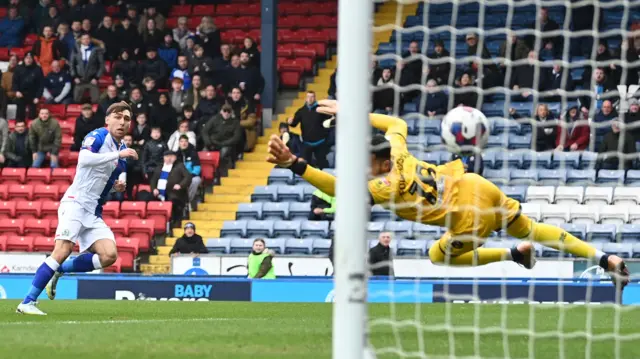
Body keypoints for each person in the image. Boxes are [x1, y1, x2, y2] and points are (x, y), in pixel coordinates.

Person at [266, 99, 630, 293]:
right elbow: (397, 125)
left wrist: (296, 164)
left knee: (437, 255)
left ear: (375, 161)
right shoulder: (398, 152)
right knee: (532, 229)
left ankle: (509, 255)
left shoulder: (383, 186)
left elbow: (338, 190)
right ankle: (603, 257)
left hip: (467, 217)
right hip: (476, 185)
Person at [17, 101, 138, 315]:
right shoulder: (99, 136)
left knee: (109, 255)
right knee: (62, 250)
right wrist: (118, 155)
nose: (122, 121)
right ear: (107, 120)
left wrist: (115, 187)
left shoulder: (122, 154)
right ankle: (27, 302)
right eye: (118, 117)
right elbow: (84, 159)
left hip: (92, 212)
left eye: (126, 118)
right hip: (75, 203)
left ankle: (59, 269)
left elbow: (98, 182)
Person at [150, 150, 192, 224]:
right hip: (159, 193)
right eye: (167, 157)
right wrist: (154, 189)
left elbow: (188, 177)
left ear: (175, 158)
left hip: (175, 193)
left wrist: (180, 185)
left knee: (173, 202)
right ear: (163, 158)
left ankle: (174, 222)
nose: (169, 159)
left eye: (171, 157)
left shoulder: (180, 166)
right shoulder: (159, 167)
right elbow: (153, 180)